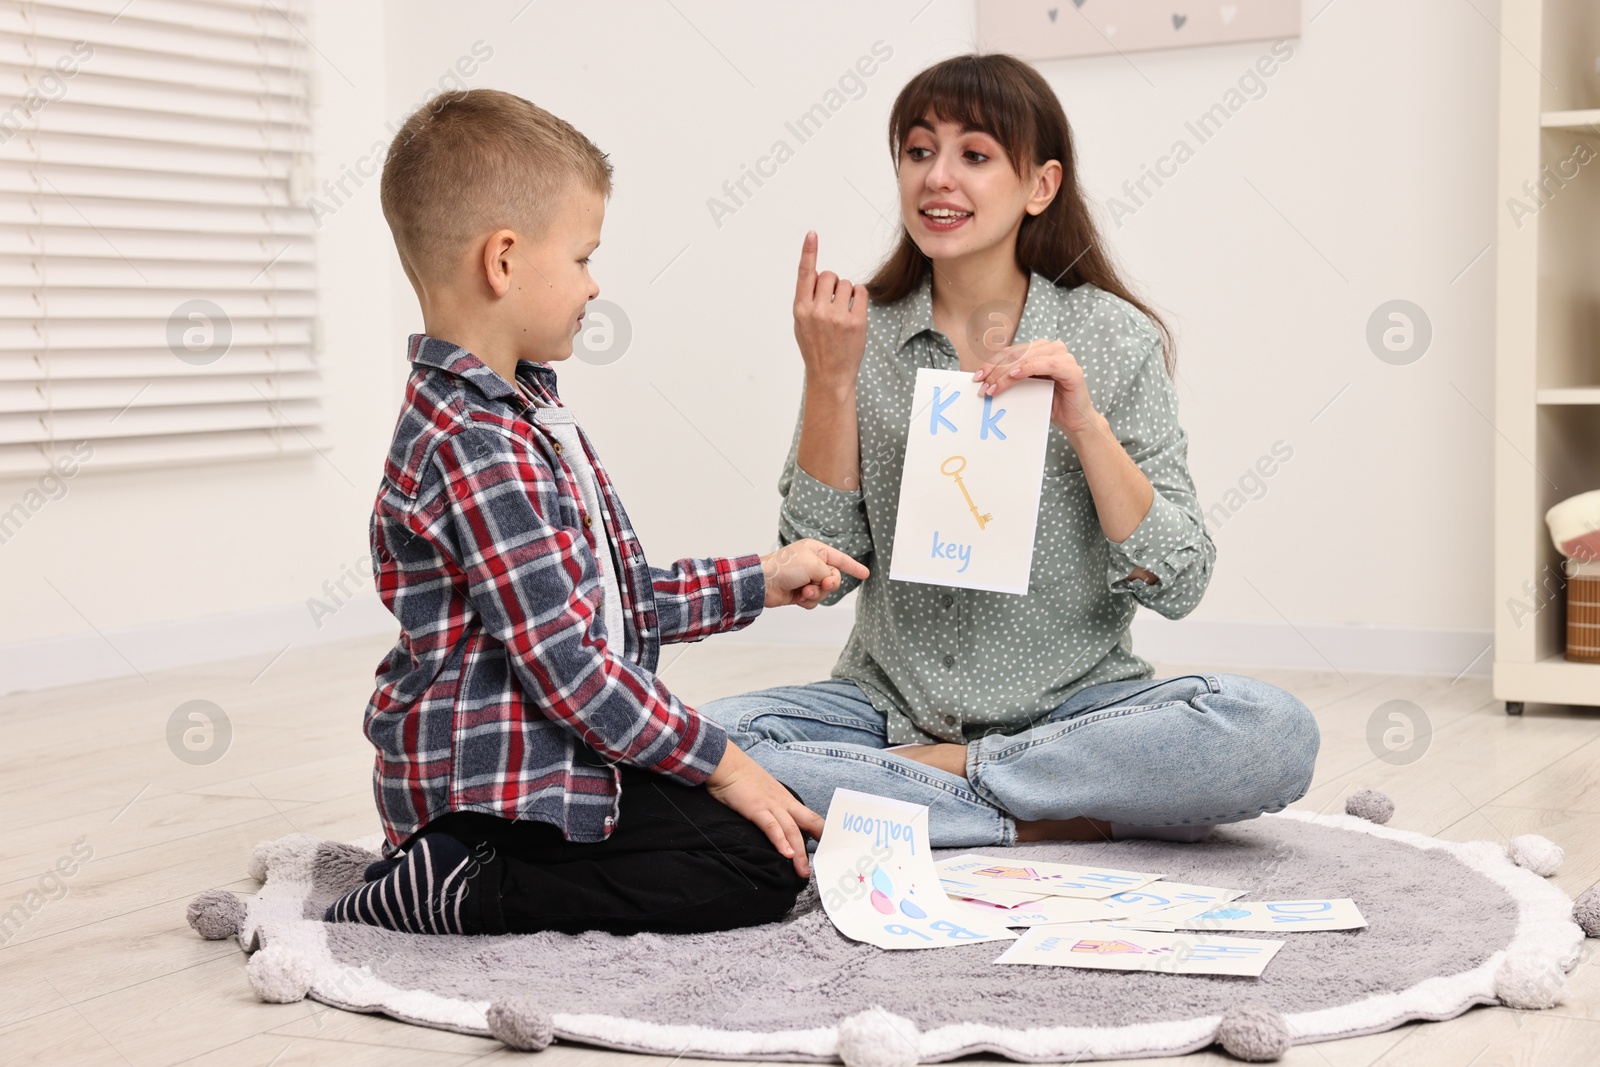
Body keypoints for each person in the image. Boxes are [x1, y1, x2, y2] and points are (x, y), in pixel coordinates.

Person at [700, 54, 1320, 848]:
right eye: (919, 152)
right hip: (886, 709)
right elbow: (819, 571)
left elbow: (1181, 580)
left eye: (975, 155)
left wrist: (1085, 425)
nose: (937, 178)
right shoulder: (866, 332)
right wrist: (830, 378)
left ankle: (943, 785)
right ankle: (1047, 814)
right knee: (708, 737)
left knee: (1271, 729)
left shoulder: (1112, 337)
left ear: (1041, 185)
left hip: (1077, 710)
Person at [324, 89, 866, 936]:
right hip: (492, 796)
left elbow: (609, 597)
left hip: (546, 761)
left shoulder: (519, 409)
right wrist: (722, 764)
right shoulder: (477, 443)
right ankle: (460, 881)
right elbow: (572, 666)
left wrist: (760, 580)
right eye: (582, 257)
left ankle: (477, 864)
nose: (594, 282)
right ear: (503, 261)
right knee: (753, 861)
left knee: (772, 825)